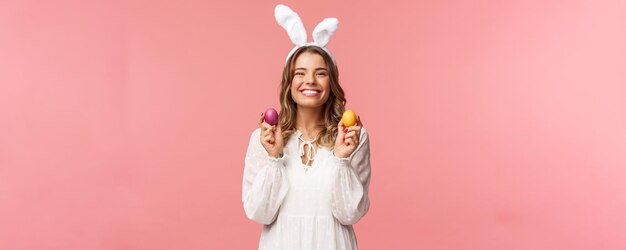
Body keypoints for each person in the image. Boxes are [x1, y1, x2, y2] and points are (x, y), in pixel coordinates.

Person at [242, 5, 371, 250]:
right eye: (300, 73)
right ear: (289, 83)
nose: (310, 80)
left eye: (320, 73)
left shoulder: (353, 137)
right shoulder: (264, 139)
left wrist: (341, 159)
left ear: (331, 83)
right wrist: (274, 157)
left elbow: (349, 214)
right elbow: (259, 213)